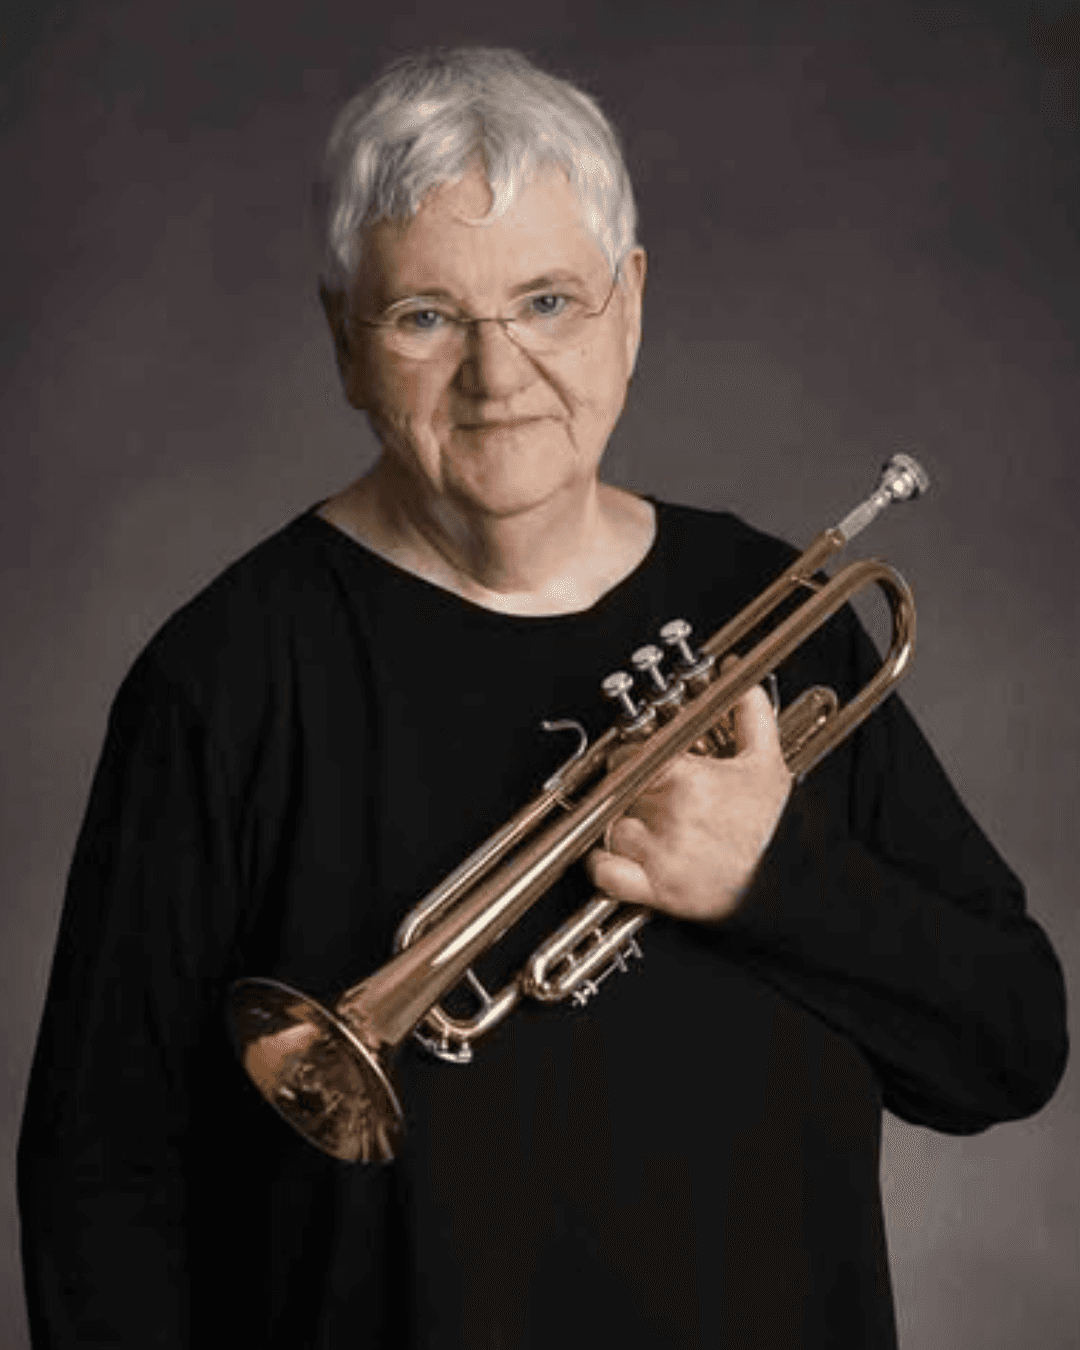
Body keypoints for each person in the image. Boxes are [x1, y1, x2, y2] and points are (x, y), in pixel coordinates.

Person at [18, 46, 1067, 1350]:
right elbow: (101, 1188)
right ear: (344, 341)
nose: (498, 375)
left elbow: (1010, 1048)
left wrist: (776, 876)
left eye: (549, 302)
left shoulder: (779, 616)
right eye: (426, 316)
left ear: (631, 308)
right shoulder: (224, 678)